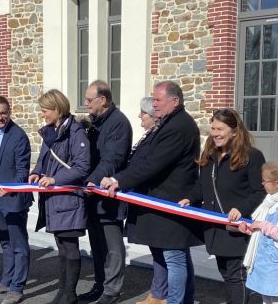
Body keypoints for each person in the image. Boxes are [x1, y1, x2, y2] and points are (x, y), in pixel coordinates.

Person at [101, 81, 202, 304]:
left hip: (171, 202)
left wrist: (119, 180)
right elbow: (146, 160)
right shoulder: (171, 123)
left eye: (157, 100)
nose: (153, 104)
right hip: (161, 200)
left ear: (174, 101)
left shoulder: (178, 127)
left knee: (175, 258)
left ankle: (177, 302)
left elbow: (153, 164)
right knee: (175, 256)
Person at [178, 108, 266, 304]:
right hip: (215, 228)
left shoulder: (252, 156)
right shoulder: (209, 155)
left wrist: (242, 208)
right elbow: (202, 185)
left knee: (236, 277)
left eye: (220, 129)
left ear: (234, 131)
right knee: (228, 274)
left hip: (238, 229)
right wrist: (189, 198)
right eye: (213, 128)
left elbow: (260, 192)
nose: (215, 133)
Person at [28, 89, 90, 304]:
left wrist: (55, 180)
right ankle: (63, 292)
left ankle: (69, 294)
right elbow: (44, 158)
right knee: (61, 246)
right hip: (54, 200)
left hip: (69, 199)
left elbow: (82, 167)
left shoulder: (76, 133)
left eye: (45, 110)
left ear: (57, 109)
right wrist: (36, 172)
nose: (42, 114)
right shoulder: (51, 131)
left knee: (70, 246)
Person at [79, 80, 132, 304]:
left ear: (103, 100)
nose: (86, 103)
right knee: (97, 246)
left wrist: (91, 181)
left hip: (107, 196)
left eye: (89, 100)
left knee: (112, 247)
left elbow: (113, 158)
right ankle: (100, 285)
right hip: (91, 194)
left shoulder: (118, 123)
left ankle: (112, 291)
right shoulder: (95, 123)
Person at [0, 96, 32, 304]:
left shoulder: (18, 136)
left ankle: (17, 288)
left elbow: (22, 170)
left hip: (14, 199)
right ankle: (6, 281)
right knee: (5, 243)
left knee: (19, 245)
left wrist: (10, 188)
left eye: (3, 113)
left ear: (9, 112)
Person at [238, 161, 278, 304]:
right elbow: (263, 229)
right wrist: (251, 228)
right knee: (266, 296)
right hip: (262, 258)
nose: (262, 184)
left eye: (265, 181)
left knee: (274, 297)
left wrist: (262, 225)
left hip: (274, 262)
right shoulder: (270, 201)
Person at [123, 98, 165, 304]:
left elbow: (145, 168)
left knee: (160, 250)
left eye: (143, 113)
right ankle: (157, 293)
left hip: (152, 200)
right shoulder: (148, 136)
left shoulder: (156, 138)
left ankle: (159, 295)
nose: (139, 116)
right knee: (156, 249)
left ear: (154, 116)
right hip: (141, 198)